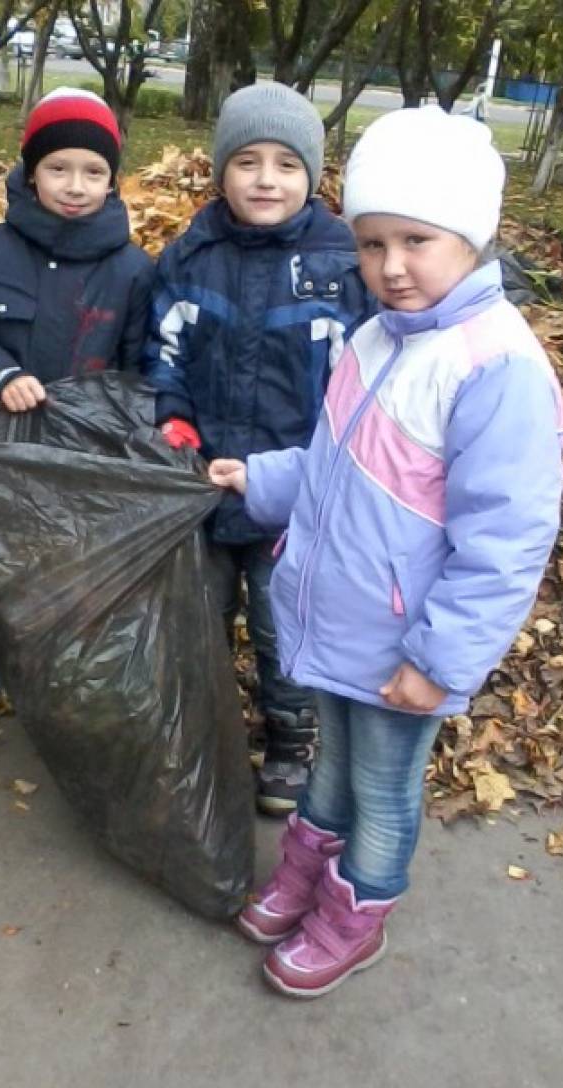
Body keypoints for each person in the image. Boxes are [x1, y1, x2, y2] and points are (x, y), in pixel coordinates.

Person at [209, 105, 563, 997]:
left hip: (405, 643)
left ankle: (356, 910)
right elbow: (338, 466)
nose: (391, 267)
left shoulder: (496, 367)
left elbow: (505, 540)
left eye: (416, 240)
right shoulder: (375, 338)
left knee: (382, 778)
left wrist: (440, 659)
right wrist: (258, 479)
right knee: (333, 760)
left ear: (472, 240)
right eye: (370, 244)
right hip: (342, 617)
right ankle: (306, 875)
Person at [144, 82, 373, 817]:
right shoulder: (190, 255)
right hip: (206, 483)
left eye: (285, 163)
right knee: (200, 620)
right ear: (220, 171)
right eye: (247, 161)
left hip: (295, 494)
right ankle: (205, 733)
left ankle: (288, 738)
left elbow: (361, 382)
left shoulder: (341, 264)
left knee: (285, 629)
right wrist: (171, 417)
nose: (265, 179)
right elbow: (164, 351)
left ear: (312, 174)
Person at [0, 88, 155, 750]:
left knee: (78, 589)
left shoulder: (133, 270)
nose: (74, 186)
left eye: (92, 172)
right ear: (28, 171)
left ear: (112, 180)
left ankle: (62, 697)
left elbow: (143, 367)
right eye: (58, 168)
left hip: (87, 464)